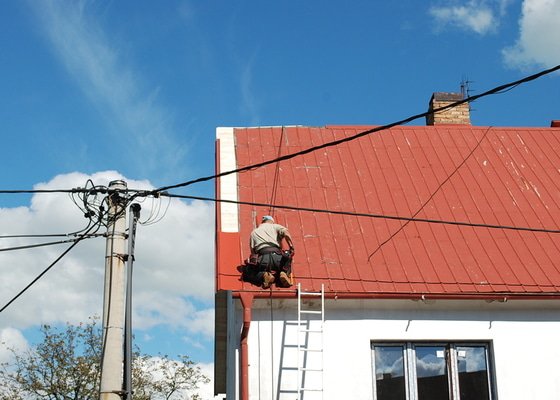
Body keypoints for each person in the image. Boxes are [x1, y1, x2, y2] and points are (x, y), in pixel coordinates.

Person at [249, 215, 294, 288]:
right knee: (288, 259)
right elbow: (286, 234)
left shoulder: (254, 232)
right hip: (277, 258)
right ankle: (284, 273)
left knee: (250, 272)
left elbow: (253, 253)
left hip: (263, 259)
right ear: (272, 222)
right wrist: (291, 247)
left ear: (262, 222)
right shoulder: (275, 226)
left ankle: (264, 275)